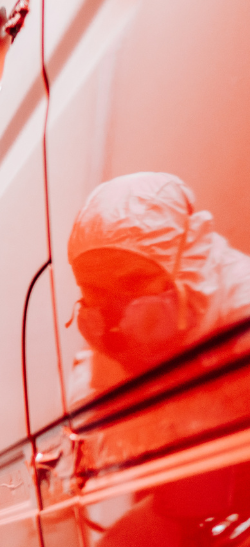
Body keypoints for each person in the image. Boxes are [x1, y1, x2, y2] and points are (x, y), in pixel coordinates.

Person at [64, 171, 250, 405]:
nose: (115, 318)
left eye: (132, 282)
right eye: (95, 290)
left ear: (186, 260)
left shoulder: (241, 318)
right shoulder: (103, 355)